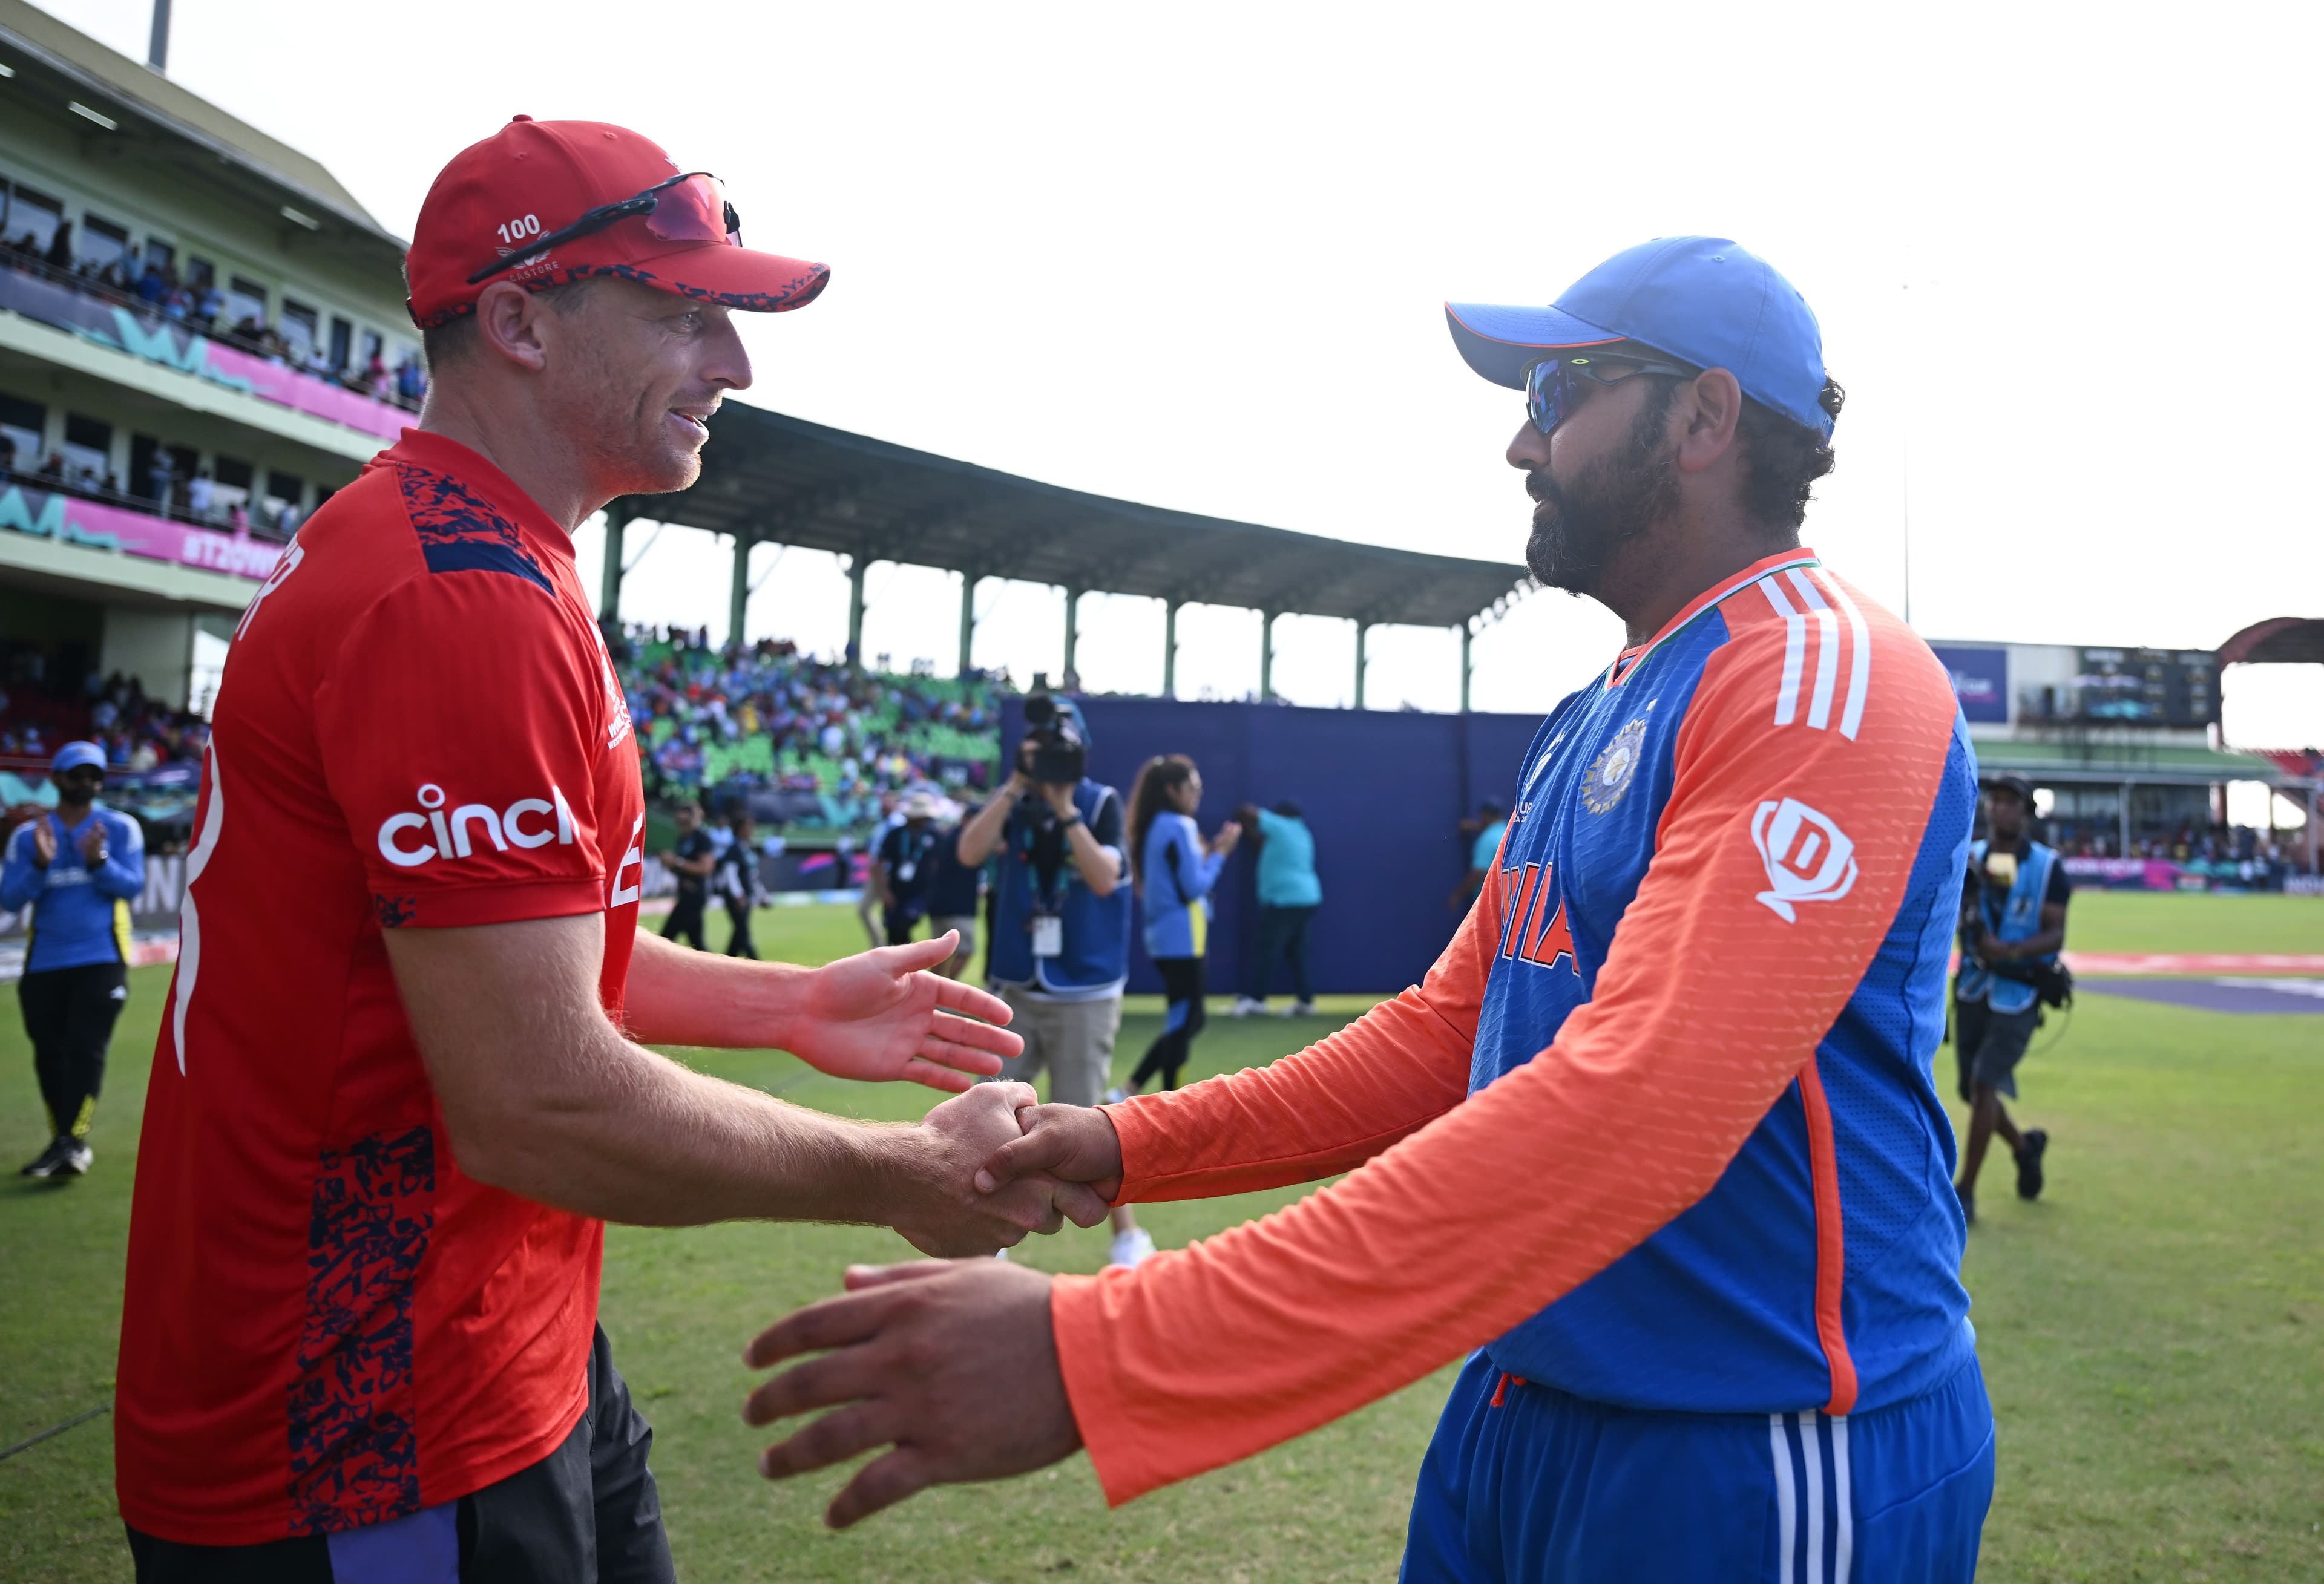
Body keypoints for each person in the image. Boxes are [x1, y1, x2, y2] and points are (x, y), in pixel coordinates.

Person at [743, 237, 1997, 1582]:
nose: (1524, 444)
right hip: (1528, 1401)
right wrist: (1116, 1142)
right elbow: (1448, 1037)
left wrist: (1101, 1351)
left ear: (1706, 417)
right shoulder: (1608, 701)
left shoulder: (1824, 675)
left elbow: (1639, 1109)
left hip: (1760, 1439)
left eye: (1559, 391)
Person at [113, 117, 1106, 1579]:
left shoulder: (469, 557)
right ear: (515, 319)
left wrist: (784, 1003)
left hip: (498, 1352)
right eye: (681, 312)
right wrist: (904, 1173)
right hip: (363, 1423)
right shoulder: (459, 598)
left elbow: (501, 969)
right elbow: (537, 1101)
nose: (734, 364)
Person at [955, 727, 1155, 1268]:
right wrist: (1014, 786)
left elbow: (1103, 878)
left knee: (1084, 1126)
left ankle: (1128, 1237)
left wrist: (1067, 811)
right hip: (1020, 981)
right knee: (987, 1115)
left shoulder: (1100, 802)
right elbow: (970, 852)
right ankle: (986, 1243)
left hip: (1082, 990)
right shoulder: (1014, 802)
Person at [1, 742, 144, 1178]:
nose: (88, 783)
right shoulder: (28, 837)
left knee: (86, 1049)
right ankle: (65, 1143)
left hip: (101, 957)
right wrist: (40, 866)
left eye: (95, 776)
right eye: (78, 775)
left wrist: (99, 864)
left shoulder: (120, 828)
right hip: (44, 961)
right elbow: (9, 898)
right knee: (49, 1055)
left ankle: (70, 1141)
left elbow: (132, 887)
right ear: (57, 779)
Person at [1952, 774, 2069, 1224]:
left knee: (1985, 1084)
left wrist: (2013, 950)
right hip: (1974, 987)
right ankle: (2025, 1148)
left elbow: (2057, 931)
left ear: (2025, 811)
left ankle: (1966, 1190)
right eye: (1995, 801)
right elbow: (1956, 915)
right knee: (1970, 1089)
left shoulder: (2046, 866)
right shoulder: (1973, 859)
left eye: (2009, 802)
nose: (2000, 808)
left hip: (2019, 991)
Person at [1124, 755, 1239, 1093]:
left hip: (1167, 936)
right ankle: (1165, 1097)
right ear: (1173, 790)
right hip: (1182, 936)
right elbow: (1194, 887)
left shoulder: (1157, 824)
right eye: (1193, 787)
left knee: (1183, 1016)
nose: (1198, 793)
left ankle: (1134, 1089)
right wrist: (1221, 854)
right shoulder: (1179, 825)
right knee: (1188, 1018)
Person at [1232, 797, 1321, 1017]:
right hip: (1307, 898)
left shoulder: (1282, 826)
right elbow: (1265, 847)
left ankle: (1257, 1001)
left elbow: (1247, 810)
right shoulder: (1302, 833)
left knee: (1267, 949)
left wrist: (1241, 821)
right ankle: (1305, 1001)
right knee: (1297, 952)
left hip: (1284, 901)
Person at [872, 790, 941, 946]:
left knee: (906, 923)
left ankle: (910, 959)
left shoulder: (934, 836)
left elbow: (939, 865)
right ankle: (903, 965)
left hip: (920, 893)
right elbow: (878, 863)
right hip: (896, 891)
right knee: (893, 932)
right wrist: (884, 891)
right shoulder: (896, 834)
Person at [923, 809, 985, 981]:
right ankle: (946, 991)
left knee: (940, 952)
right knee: (965, 951)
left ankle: (935, 992)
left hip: (938, 904)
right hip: (959, 906)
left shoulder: (946, 838)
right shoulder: (968, 840)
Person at [658, 797, 717, 949]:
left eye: (685, 821)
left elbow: (705, 868)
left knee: (666, 939)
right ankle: (710, 972)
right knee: (697, 943)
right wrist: (670, 864)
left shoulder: (702, 839)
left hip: (694, 896)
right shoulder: (683, 839)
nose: (682, 824)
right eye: (679, 821)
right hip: (685, 893)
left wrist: (676, 862)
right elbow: (680, 869)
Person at [713, 808, 769, 959]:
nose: (752, 829)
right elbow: (730, 875)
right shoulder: (734, 849)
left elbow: (753, 876)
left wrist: (762, 895)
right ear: (739, 829)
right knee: (743, 933)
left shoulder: (747, 848)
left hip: (747, 896)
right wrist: (738, 895)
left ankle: (726, 964)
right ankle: (759, 966)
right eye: (748, 826)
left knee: (739, 934)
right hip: (737, 898)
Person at [1448, 798, 1509, 911]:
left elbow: (1479, 872)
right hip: (1509, 899)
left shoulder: (1487, 838)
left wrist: (1458, 894)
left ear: (1485, 815)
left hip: (1491, 902)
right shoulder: (1508, 831)